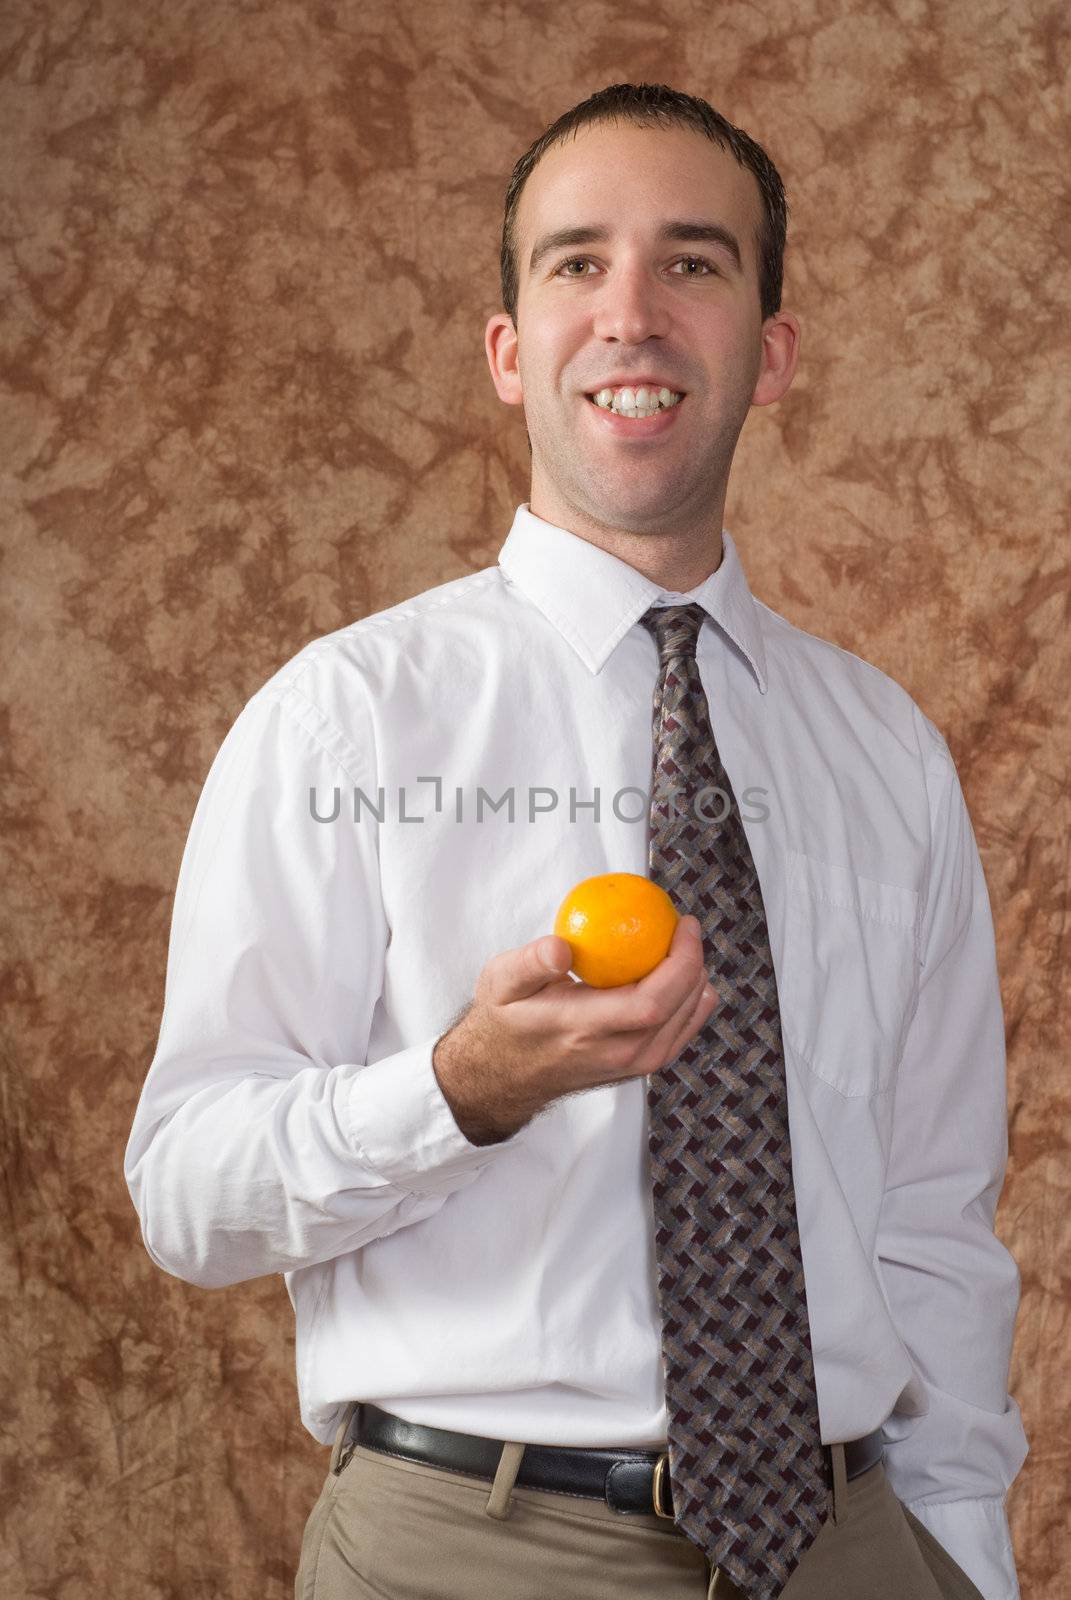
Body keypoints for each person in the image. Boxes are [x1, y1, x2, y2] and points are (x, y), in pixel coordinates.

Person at [123, 82, 1028, 1600]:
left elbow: (936, 1225)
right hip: (473, 1549)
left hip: (852, 1546)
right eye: (574, 264)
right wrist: (457, 1092)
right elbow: (187, 1193)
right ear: (508, 351)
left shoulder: (883, 750)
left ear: (771, 348)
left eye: (693, 262)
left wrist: (963, 1564)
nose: (633, 315)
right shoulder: (347, 720)